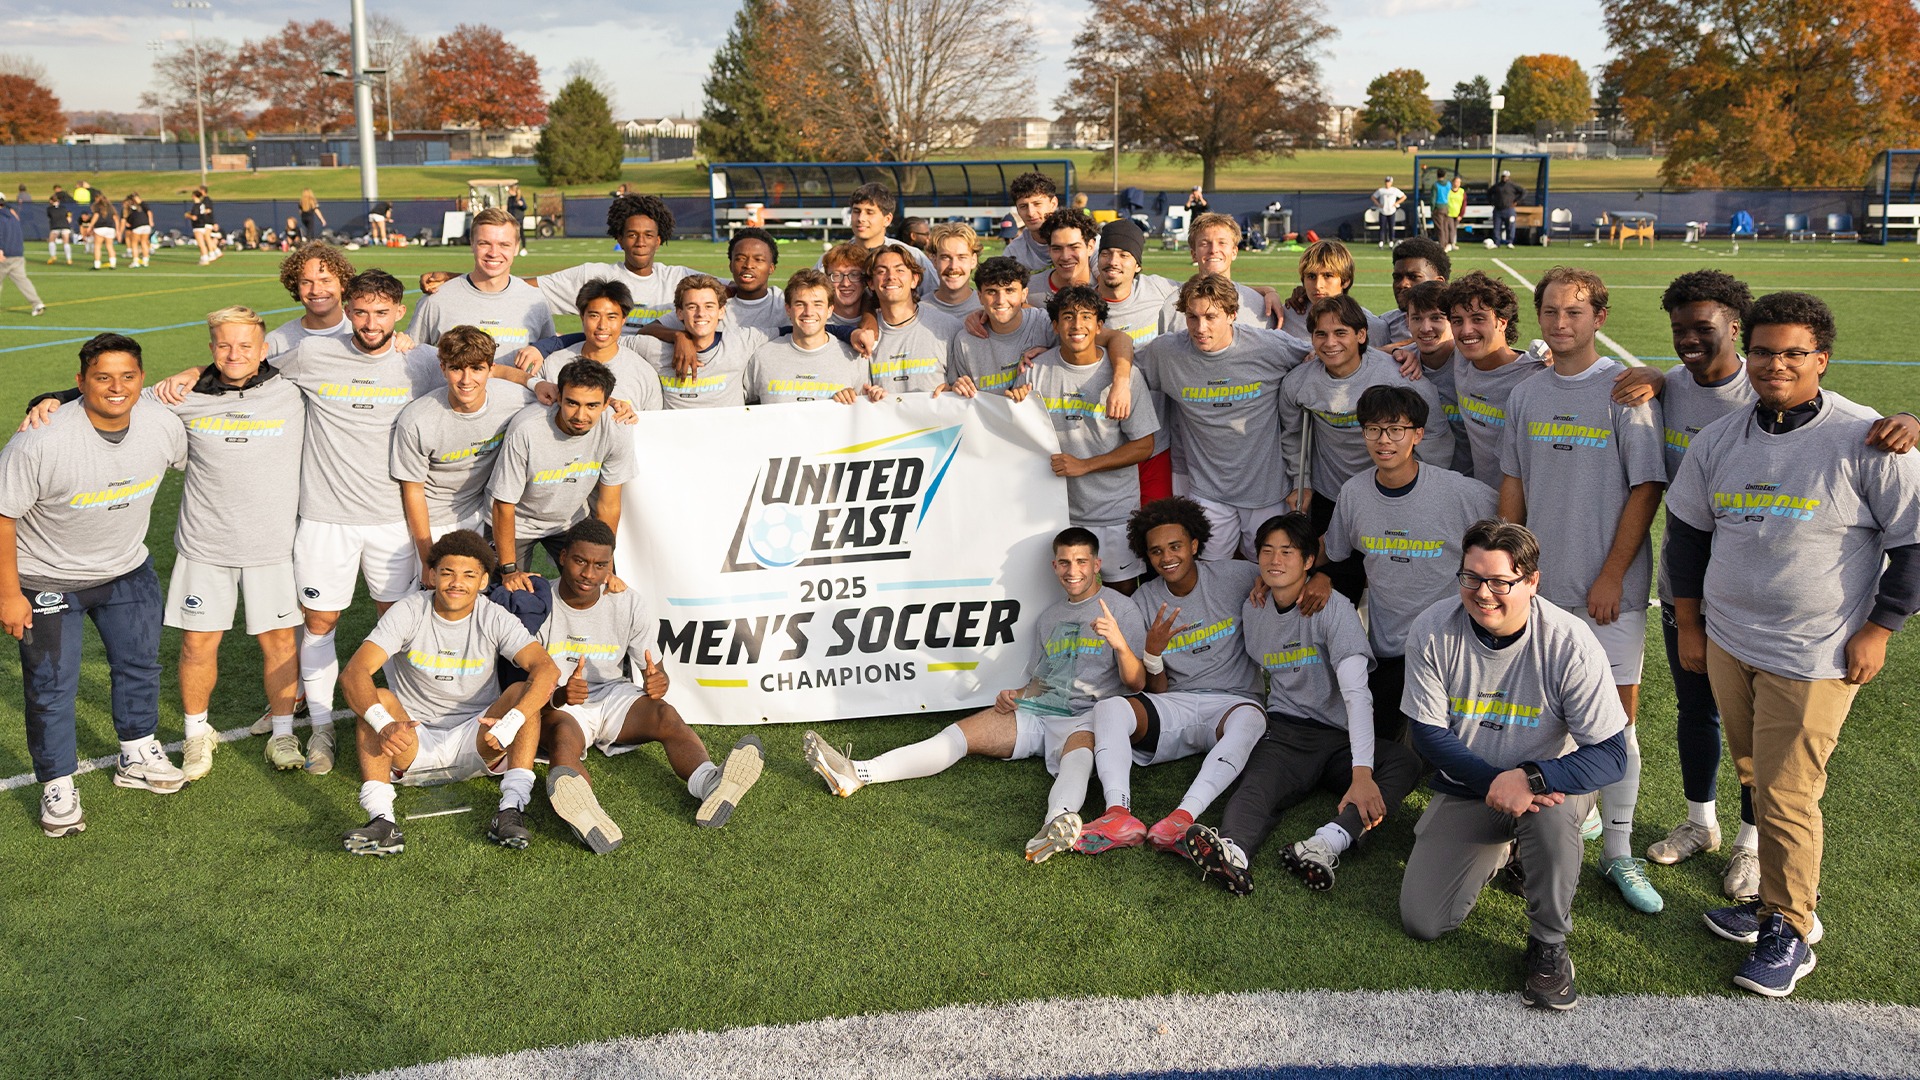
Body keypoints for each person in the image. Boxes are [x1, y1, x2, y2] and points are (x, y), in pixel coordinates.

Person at [1668, 291, 1920, 997]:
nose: (1775, 365)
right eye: (1763, 352)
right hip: (1730, 641)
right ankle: (1775, 903)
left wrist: (1881, 628)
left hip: (1817, 652)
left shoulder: (1868, 438)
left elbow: (1913, 545)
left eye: (1792, 353)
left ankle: (1790, 927)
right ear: (1746, 356)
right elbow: (1686, 539)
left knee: (1787, 793)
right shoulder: (1721, 440)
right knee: (1756, 775)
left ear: (1822, 360)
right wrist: (1691, 625)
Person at [152, 270, 442, 773]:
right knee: (318, 624)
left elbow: (478, 373)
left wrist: (539, 379)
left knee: (395, 624)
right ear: (347, 312)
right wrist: (192, 369)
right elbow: (239, 360)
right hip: (324, 519)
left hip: (392, 519)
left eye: (381, 313)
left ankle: (408, 717)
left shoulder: (420, 360)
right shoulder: (308, 356)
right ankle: (323, 729)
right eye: (360, 311)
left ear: (400, 312)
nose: (370, 322)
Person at [21, 310, 307, 778]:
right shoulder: (182, 396)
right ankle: (197, 735)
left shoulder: (293, 392)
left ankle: (282, 732)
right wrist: (53, 399)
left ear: (264, 349)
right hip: (204, 546)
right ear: (211, 347)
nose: (234, 355)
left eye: (245, 346)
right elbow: (117, 394)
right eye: (223, 345)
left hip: (273, 547)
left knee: (279, 642)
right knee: (198, 644)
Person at [802, 527, 1148, 862]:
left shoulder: (1120, 609)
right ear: (1054, 566)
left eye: (1081, 562)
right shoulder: (1049, 618)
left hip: (1089, 716)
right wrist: (1017, 694)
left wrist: (1118, 643)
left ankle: (1054, 824)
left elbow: (1137, 685)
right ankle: (859, 772)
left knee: (1078, 759)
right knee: (959, 735)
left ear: (1096, 564)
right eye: (1064, 562)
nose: (1073, 571)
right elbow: (1043, 679)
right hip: (1041, 711)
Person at [1399, 519, 1629, 1011]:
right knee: (1423, 920)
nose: (1483, 594)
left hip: (1548, 787)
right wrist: (1497, 783)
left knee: (1549, 817)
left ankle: (1549, 944)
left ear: (1531, 582)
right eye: (1471, 578)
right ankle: (1506, 848)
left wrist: (1531, 778)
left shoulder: (1570, 640)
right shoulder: (1433, 628)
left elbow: (1611, 754)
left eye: (1499, 582)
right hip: (1472, 786)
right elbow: (1427, 733)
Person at [1497, 267, 1668, 916]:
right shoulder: (1527, 394)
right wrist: (1511, 570)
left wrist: (1611, 575)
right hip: (1538, 591)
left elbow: (1645, 489)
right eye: (1550, 312)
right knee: (1545, 722)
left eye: (1574, 312)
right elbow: (1512, 482)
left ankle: (1618, 852)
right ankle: (1546, 830)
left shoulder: (1627, 393)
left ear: (1600, 318)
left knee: (1616, 725)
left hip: (1607, 593)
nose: (1561, 323)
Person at [0, 334, 189, 836]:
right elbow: (2, 517)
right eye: (102, 377)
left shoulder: (162, 424)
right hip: (47, 579)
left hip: (127, 571)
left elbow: (233, 377)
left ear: (142, 379)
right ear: (79, 381)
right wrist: (8, 593)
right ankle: (57, 783)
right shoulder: (40, 439)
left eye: (127, 376)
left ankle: (135, 754)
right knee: (51, 688)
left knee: (139, 665)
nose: (116, 387)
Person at [1182, 512, 1422, 894]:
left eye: (1288, 552)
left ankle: (1326, 842)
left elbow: (1357, 696)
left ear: (1309, 560)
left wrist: (1362, 773)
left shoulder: (1332, 608)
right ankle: (1233, 853)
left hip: (1339, 737)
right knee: (1256, 788)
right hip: (1287, 731)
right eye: (1267, 551)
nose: (1276, 560)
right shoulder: (1253, 607)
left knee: (1403, 762)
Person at [536, 519, 766, 850]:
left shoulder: (628, 601)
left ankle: (709, 782)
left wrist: (658, 681)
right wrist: (560, 694)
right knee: (562, 739)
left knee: (664, 714)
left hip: (612, 695)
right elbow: (527, 686)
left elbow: (655, 671)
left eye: (601, 565)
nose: (589, 574)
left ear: (610, 566)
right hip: (561, 702)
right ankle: (586, 811)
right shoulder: (541, 603)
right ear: (562, 557)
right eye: (580, 561)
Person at [338, 529, 561, 855]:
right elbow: (354, 673)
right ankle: (382, 821)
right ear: (431, 575)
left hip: (480, 738)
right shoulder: (408, 611)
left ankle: (511, 810)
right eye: (448, 573)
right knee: (379, 700)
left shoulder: (493, 615)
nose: (457, 583)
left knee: (520, 694)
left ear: (484, 581)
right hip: (410, 742)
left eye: (469, 575)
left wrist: (511, 722)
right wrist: (383, 725)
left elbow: (547, 669)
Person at [1075, 497, 1265, 855]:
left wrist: (1308, 578)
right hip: (1175, 703)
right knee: (1110, 708)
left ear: (1194, 545)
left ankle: (1182, 818)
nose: (1167, 557)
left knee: (1252, 720)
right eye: (1156, 551)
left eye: (1175, 546)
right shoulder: (1145, 600)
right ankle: (1118, 813)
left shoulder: (1234, 575)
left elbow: (1280, 573)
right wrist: (1154, 653)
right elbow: (1155, 690)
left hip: (1233, 703)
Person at [1322, 385, 1495, 741]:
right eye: (1373, 429)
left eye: (1395, 430)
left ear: (1417, 434)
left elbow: (1511, 524)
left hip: (1451, 649)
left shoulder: (1461, 493)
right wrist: (1293, 574)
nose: (1383, 440)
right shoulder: (1353, 493)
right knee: (1381, 745)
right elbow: (1334, 552)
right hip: (1388, 650)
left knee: (1441, 752)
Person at [1279, 295, 1454, 605]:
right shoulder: (1299, 384)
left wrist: (1429, 489)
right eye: (1321, 334)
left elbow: (1436, 435)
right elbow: (1293, 436)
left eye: (1340, 333)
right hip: (1332, 493)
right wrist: (1300, 481)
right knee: (1332, 584)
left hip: (1391, 493)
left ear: (1361, 335)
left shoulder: (1398, 376)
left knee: (1392, 574)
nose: (1330, 343)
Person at [1140, 274, 1308, 560]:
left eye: (1210, 317)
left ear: (1232, 315)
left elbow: (1327, 355)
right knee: (1208, 574)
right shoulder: (1166, 353)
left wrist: (1399, 354)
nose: (1200, 328)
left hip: (1267, 491)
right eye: (1192, 317)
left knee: (1271, 575)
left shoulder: (1269, 346)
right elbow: (1115, 362)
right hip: (1208, 491)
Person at [1006, 286, 1159, 592]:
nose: (1077, 325)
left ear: (1100, 326)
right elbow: (1016, 438)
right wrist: (1014, 404)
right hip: (1056, 510)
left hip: (1113, 509)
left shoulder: (1125, 377)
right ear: (1054, 325)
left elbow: (1144, 445)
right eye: (1067, 317)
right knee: (1061, 593)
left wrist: (1085, 465)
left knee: (1122, 592)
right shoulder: (1035, 371)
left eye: (1086, 317)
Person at [390, 324, 538, 581]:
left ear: (491, 370)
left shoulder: (517, 398)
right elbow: (413, 491)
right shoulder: (417, 420)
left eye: (477, 369)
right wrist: (428, 560)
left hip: (484, 516)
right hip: (434, 522)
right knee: (437, 600)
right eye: (456, 368)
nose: (466, 380)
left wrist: (536, 382)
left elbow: (571, 401)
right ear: (443, 369)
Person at [489, 359, 633, 583]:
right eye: (572, 403)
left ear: (607, 404)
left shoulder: (616, 430)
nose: (580, 415)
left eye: (592, 406)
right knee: (509, 596)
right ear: (558, 397)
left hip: (569, 521)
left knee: (594, 585)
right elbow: (503, 504)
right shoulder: (527, 429)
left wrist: (606, 564)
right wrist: (509, 570)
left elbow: (608, 505)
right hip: (518, 521)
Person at [406, 207, 555, 360]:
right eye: (484, 243)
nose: (494, 253)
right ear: (472, 244)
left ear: (516, 247)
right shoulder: (436, 300)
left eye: (504, 245)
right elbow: (411, 360)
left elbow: (548, 360)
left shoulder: (535, 301)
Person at [744, 268, 875, 405]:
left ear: (830, 310)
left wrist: (856, 398)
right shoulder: (763, 356)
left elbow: (864, 408)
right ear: (788, 309)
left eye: (818, 304)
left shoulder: (854, 357)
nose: (809, 312)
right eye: (800, 304)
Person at [1278, 240, 1388, 343]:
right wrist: (1268, 292)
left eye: (1328, 276)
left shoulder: (1372, 327)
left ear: (1345, 281)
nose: (1318, 285)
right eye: (1311, 276)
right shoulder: (1285, 317)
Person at [1027, 208, 1100, 307]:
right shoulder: (1028, 290)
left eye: (1074, 247)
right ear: (1049, 249)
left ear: (1090, 247)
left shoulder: (1105, 290)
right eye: (1057, 248)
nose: (1065, 257)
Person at [1004, 171, 1064, 273]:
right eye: (1023, 206)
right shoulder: (1013, 252)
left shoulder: (1082, 237)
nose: (1030, 213)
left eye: (1037, 204)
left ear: (1053, 204)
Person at [925, 221, 983, 318]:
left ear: (973, 260)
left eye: (962, 257)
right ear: (934, 261)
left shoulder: (988, 308)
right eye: (945, 257)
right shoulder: (917, 310)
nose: (953, 266)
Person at [0, 195, 45, 317]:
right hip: (17, 254)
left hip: (4, 255)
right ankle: (37, 303)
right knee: (23, 281)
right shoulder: (13, 217)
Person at [1490, 171, 1525, 248]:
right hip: (1498, 210)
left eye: (1506, 176)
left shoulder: (1512, 186)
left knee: (1510, 227)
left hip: (1509, 210)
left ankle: (1509, 242)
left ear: (1508, 177)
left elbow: (1523, 192)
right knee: (1496, 227)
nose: (1504, 178)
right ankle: (1496, 243)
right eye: (1503, 176)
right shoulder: (1497, 186)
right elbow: (1489, 193)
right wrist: (1492, 202)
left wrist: (1516, 201)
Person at [1371, 176, 1406, 247]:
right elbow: (1373, 197)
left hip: (1391, 211)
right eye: (1386, 182)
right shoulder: (1381, 190)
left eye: (1389, 182)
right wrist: (1378, 204)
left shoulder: (1394, 190)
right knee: (1382, 227)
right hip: (1383, 211)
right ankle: (1381, 241)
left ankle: (1391, 241)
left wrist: (1396, 203)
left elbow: (1404, 197)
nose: (1387, 183)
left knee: (1391, 226)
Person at [88, 192, 119, 271]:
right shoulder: (111, 208)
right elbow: (116, 219)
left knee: (97, 247)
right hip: (110, 229)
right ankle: (113, 264)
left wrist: (90, 226)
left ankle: (97, 265)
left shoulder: (97, 207)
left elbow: (96, 216)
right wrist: (117, 230)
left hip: (100, 229)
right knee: (110, 246)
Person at [122, 193, 153, 268]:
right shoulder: (142, 205)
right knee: (144, 243)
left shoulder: (131, 206)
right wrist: (150, 221)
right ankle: (145, 261)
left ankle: (136, 261)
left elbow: (126, 217)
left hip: (138, 226)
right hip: (146, 225)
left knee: (134, 244)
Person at [44, 186, 73, 266]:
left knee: (51, 240)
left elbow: (50, 216)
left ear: (51, 201)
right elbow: (69, 217)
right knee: (66, 242)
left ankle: (53, 256)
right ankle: (69, 259)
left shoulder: (49, 209)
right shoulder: (64, 208)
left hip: (55, 226)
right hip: (65, 225)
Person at [1432, 170, 1456, 251]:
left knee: (1440, 228)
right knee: (1445, 227)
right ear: (1445, 175)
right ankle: (1446, 243)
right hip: (1446, 207)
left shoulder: (1436, 185)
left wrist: (1432, 209)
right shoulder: (1448, 184)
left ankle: (1442, 246)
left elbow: (1433, 198)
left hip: (1438, 207)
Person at [506, 183, 528, 254]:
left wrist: (521, 204)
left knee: (520, 233)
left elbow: (525, 207)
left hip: (519, 219)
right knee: (511, 234)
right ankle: (512, 248)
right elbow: (508, 209)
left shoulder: (519, 198)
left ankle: (524, 248)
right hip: (512, 219)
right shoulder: (510, 199)